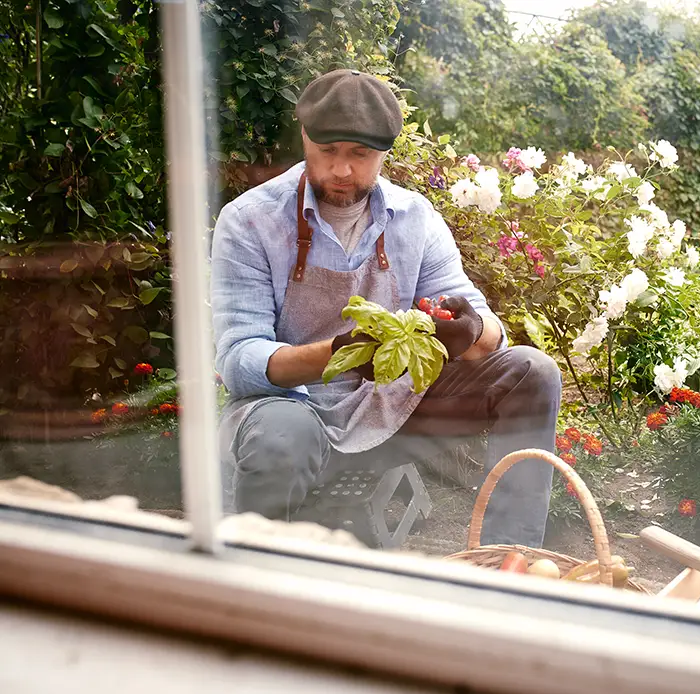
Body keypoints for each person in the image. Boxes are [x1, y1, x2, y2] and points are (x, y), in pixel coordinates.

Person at [211, 69, 560, 548]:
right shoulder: (249, 221)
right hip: (295, 412)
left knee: (532, 372)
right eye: (328, 151)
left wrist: (473, 328)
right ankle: (257, 581)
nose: (341, 170)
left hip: (393, 408)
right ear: (305, 137)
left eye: (360, 155)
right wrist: (340, 352)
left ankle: (511, 563)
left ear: (384, 153)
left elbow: (484, 330)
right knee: (279, 435)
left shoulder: (414, 217)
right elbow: (238, 362)